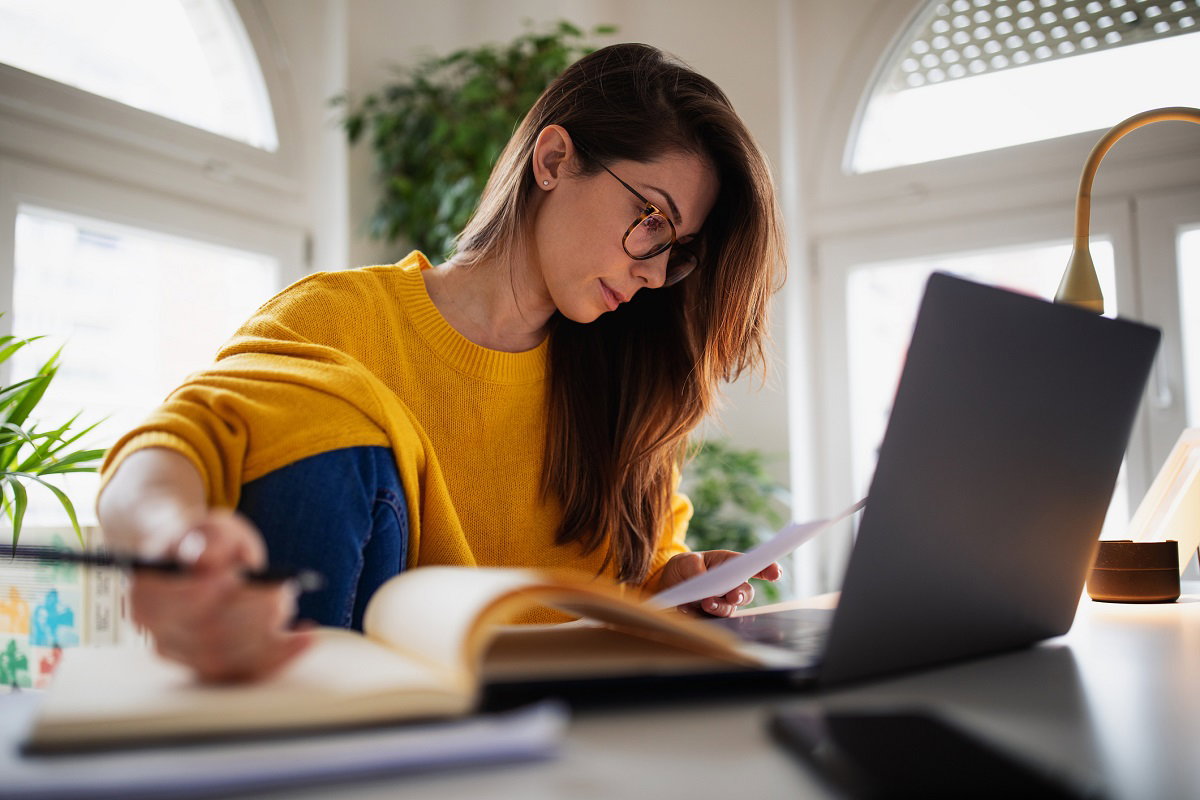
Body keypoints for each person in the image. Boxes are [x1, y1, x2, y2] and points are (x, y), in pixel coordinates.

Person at [96, 42, 786, 682]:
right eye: (652, 221)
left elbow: (644, 567)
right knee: (336, 422)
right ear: (552, 161)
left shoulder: (629, 389)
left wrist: (678, 586)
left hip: (572, 735)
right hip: (378, 713)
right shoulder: (343, 316)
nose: (654, 271)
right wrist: (175, 542)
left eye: (678, 249)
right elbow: (169, 447)